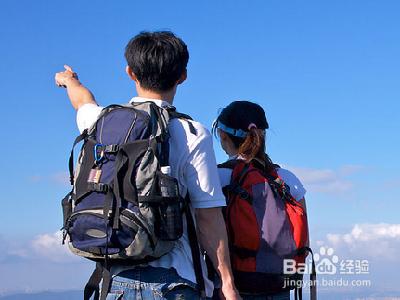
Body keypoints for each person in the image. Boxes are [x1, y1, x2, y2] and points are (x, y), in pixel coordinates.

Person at [55, 31, 241, 300]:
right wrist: (227, 283)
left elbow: (82, 101)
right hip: (174, 282)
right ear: (182, 76)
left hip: (113, 281)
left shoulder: (100, 122)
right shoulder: (191, 133)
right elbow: (207, 217)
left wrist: (69, 80)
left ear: (130, 72)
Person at [212, 101, 309, 300]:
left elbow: (207, 230)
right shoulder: (287, 179)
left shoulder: (217, 178)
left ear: (223, 136)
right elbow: (303, 239)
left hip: (234, 287)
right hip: (280, 284)